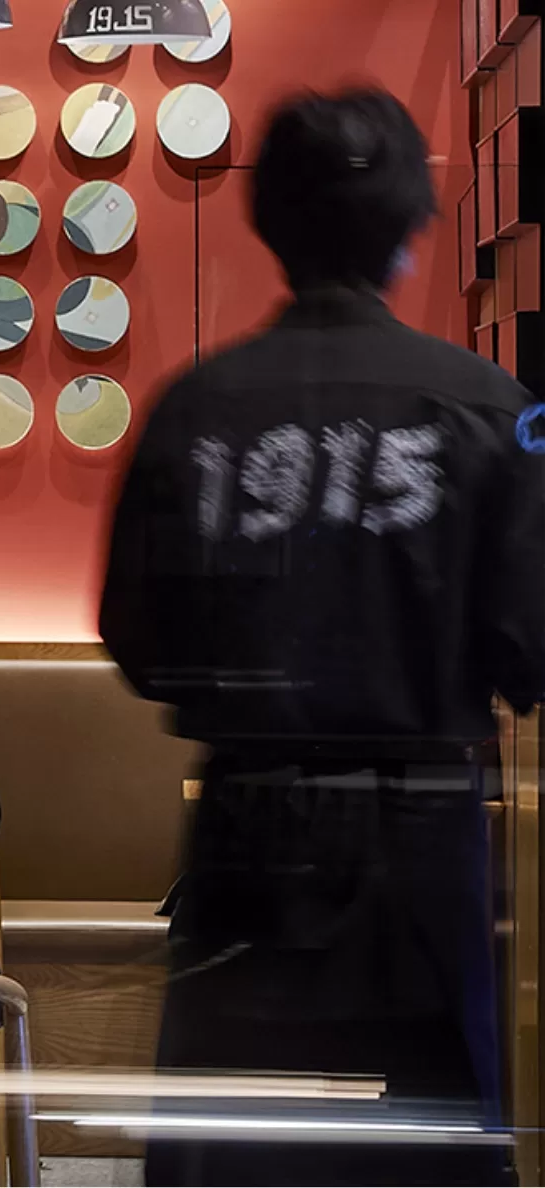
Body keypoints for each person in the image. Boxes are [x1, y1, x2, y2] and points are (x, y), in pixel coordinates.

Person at [100, 89, 545, 1187]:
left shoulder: (191, 409)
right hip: (421, 839)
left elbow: (139, 644)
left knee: (234, 1153)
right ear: (410, 228)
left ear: (267, 220)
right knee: (416, 1156)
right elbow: (529, 648)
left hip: (245, 838)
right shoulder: (493, 408)